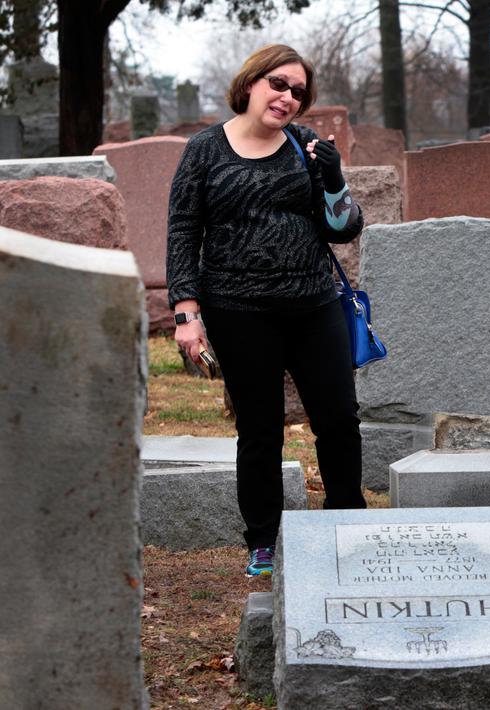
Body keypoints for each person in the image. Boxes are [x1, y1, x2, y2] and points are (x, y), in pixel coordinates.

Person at [166, 44, 367, 577]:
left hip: (313, 304)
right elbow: (184, 231)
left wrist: (335, 180)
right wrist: (186, 313)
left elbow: (345, 229)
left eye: (299, 92)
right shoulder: (205, 150)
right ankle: (263, 540)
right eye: (279, 84)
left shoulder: (305, 146)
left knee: (340, 420)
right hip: (238, 310)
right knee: (260, 430)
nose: (288, 98)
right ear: (251, 82)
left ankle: (346, 520)